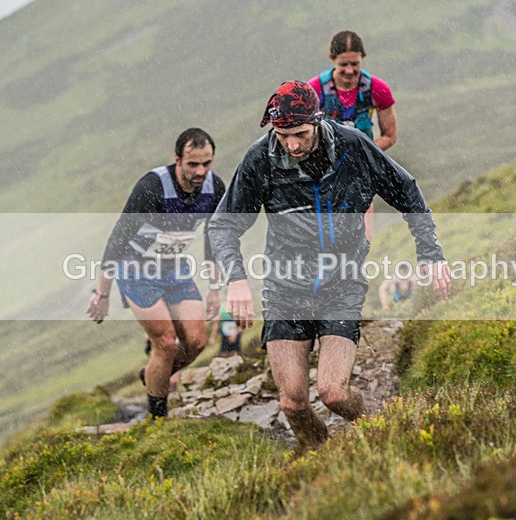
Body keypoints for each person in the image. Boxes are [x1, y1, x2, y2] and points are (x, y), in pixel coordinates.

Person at [208, 81, 450, 447]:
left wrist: (430, 255)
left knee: (334, 393)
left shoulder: (353, 146)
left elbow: (408, 193)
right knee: (292, 403)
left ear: (317, 121)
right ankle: (320, 459)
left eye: (300, 135)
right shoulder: (261, 158)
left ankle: (379, 432)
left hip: (341, 285)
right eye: (283, 135)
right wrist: (236, 280)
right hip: (285, 290)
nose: (292, 145)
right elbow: (223, 225)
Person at [86, 128, 225, 418]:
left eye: (207, 163)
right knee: (166, 343)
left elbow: (214, 239)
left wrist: (214, 288)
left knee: (196, 342)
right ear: (177, 159)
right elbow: (118, 239)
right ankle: (158, 419)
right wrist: (102, 294)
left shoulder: (214, 188)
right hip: (136, 269)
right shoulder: (153, 187)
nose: (201, 171)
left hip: (175, 269)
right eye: (193, 164)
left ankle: (152, 375)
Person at [309, 31, 398, 240]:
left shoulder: (378, 90)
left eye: (355, 64)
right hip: (323, 173)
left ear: (362, 58)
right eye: (343, 65)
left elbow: (390, 135)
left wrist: (360, 154)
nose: (350, 70)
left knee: (362, 239)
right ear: (333, 60)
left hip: (360, 173)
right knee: (323, 237)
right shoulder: (314, 91)